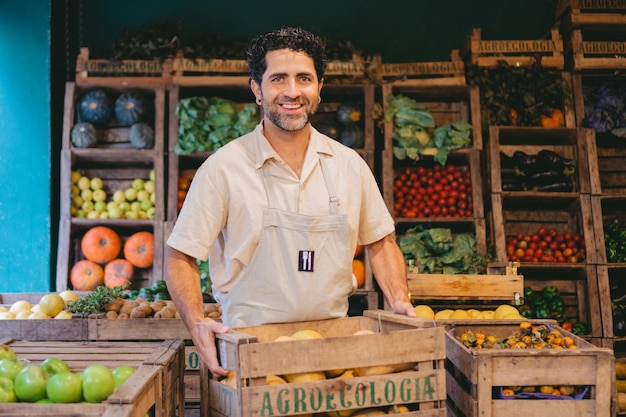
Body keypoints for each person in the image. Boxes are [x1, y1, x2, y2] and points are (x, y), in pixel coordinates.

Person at [164, 26, 415, 377]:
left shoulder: (348, 165)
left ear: (320, 88)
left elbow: (381, 243)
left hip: (334, 352)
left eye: (304, 79)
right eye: (278, 79)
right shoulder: (223, 168)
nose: (292, 92)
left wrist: (399, 300)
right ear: (257, 89)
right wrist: (196, 321)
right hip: (249, 353)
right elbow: (180, 257)